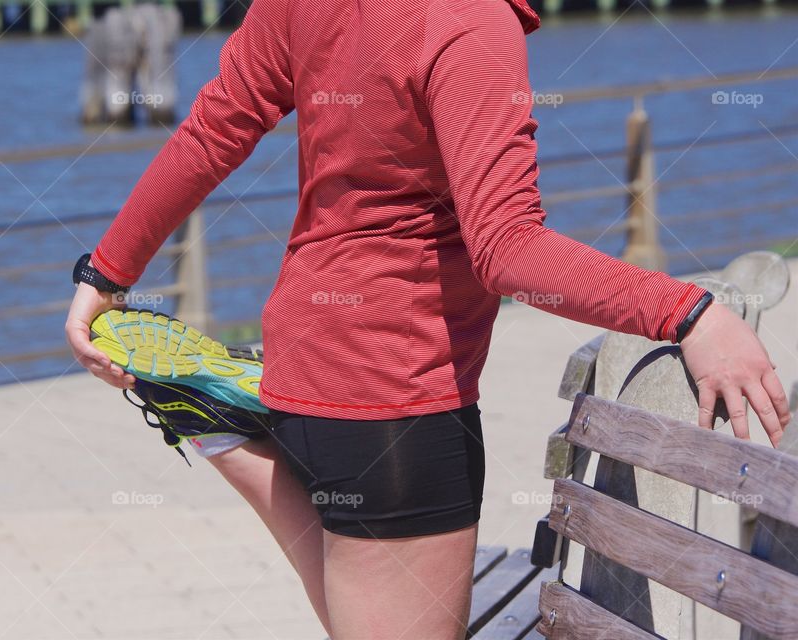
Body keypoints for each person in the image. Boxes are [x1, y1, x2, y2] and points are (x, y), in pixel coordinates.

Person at [65, 0, 792, 636]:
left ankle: (222, 426)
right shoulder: (468, 21)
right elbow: (508, 249)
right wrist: (688, 312)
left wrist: (104, 274)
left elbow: (211, 131)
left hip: (304, 371)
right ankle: (220, 426)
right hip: (398, 407)